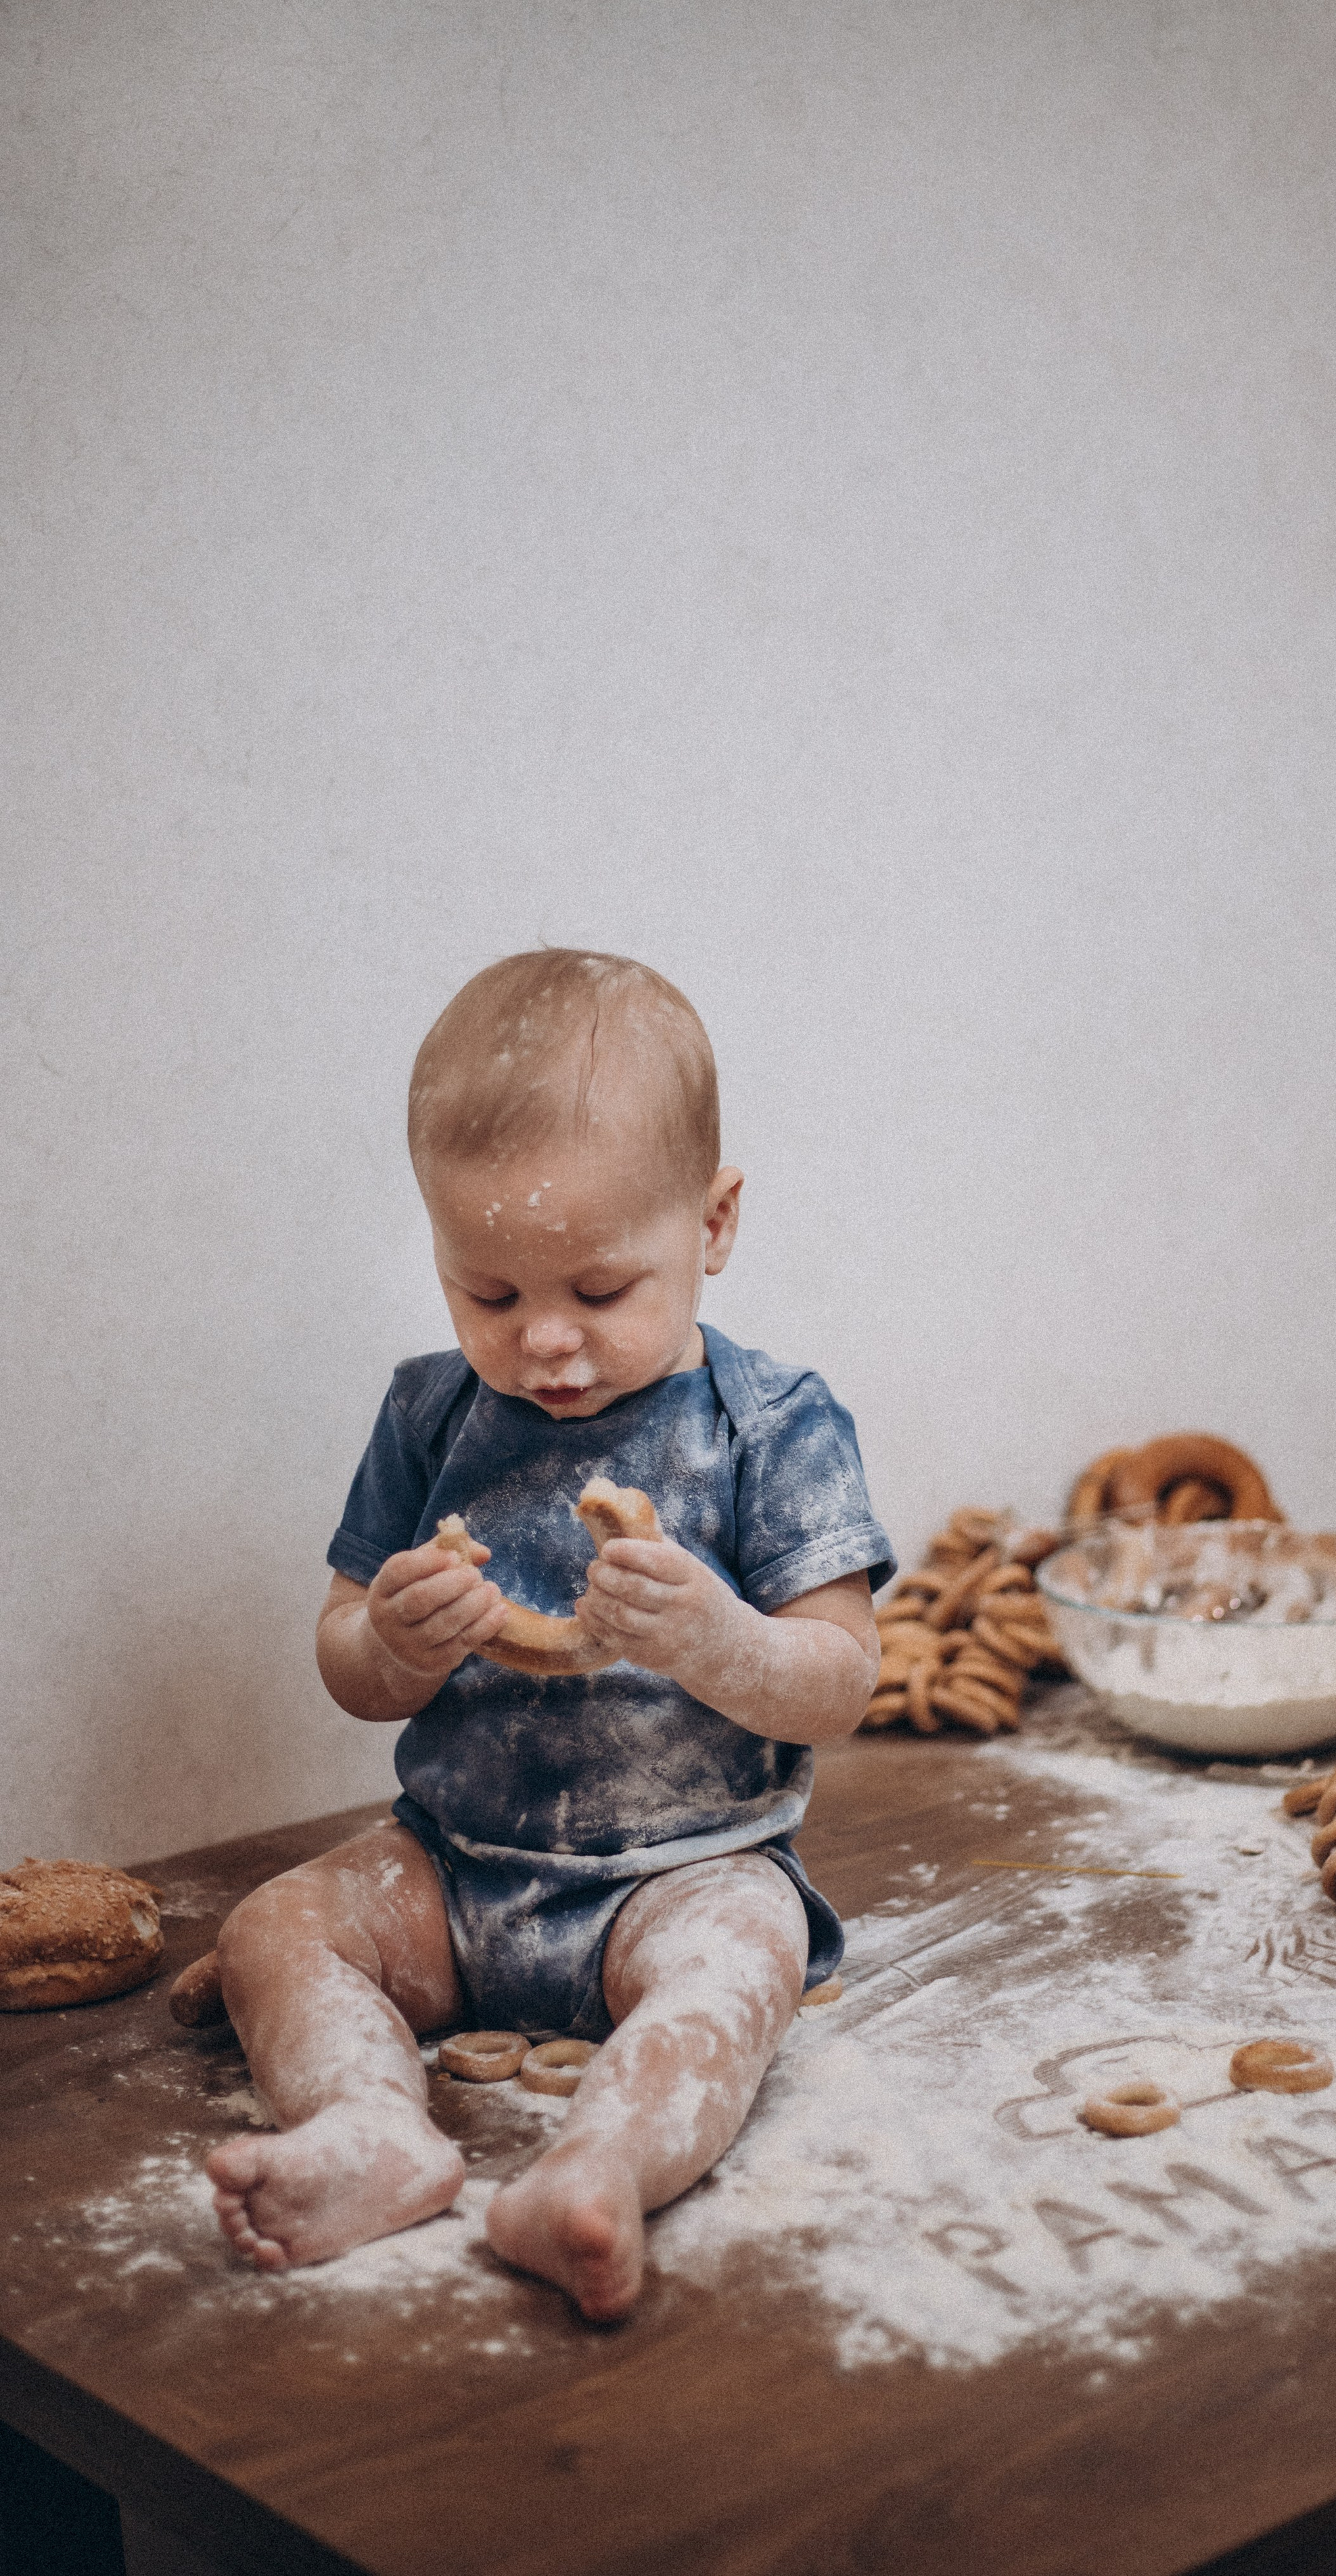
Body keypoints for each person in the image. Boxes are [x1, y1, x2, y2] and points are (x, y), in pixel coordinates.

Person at [204, 949, 892, 2318]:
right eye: (492, 1296)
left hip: (683, 1874)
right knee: (271, 1931)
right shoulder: (428, 1417)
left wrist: (714, 1640)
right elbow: (347, 1664)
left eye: (600, 1290)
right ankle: (368, 2129)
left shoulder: (772, 1426)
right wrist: (393, 1641)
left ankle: (599, 2168)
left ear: (713, 1223)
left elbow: (841, 1682)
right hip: (450, 1868)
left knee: (736, 1971)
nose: (546, 1345)